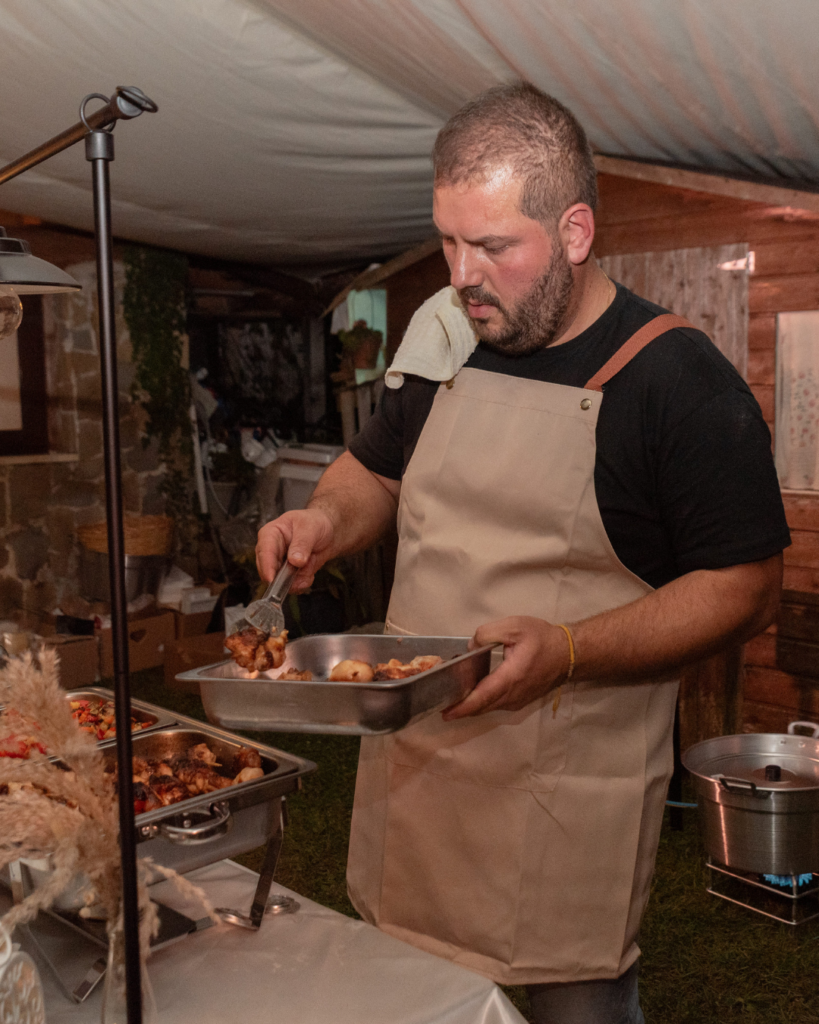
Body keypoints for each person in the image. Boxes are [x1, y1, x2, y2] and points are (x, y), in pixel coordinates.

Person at [257, 84, 790, 1024]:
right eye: (449, 240)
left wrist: (572, 650)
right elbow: (371, 474)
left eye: (493, 246)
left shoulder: (676, 382)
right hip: (418, 778)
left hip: (559, 803)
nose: (461, 274)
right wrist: (325, 523)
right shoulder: (455, 345)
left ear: (574, 230)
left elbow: (744, 587)